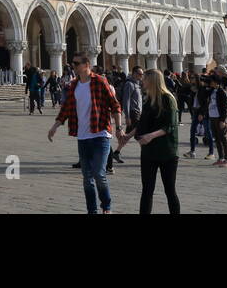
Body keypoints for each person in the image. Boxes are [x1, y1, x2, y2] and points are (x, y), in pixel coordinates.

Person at [47, 53, 121, 214]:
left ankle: (106, 206)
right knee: (87, 179)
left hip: (100, 134)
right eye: (73, 64)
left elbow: (115, 105)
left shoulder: (100, 82)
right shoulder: (74, 85)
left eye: (76, 63)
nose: (73, 66)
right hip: (83, 137)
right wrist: (55, 126)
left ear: (86, 64)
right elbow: (66, 108)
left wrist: (120, 128)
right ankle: (92, 210)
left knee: (99, 174)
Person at [124, 68, 179, 214]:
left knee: (169, 190)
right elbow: (142, 123)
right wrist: (128, 136)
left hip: (166, 151)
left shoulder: (168, 98)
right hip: (148, 152)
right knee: (147, 190)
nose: (142, 81)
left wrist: (150, 136)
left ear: (153, 81)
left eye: (145, 78)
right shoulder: (148, 99)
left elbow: (170, 126)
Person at [110, 66, 143, 170]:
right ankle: (146, 155)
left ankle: (116, 152)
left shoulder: (137, 85)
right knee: (140, 134)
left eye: (142, 74)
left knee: (129, 135)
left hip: (137, 113)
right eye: (139, 74)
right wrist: (127, 117)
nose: (141, 76)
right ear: (133, 73)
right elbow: (126, 101)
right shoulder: (129, 84)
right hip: (133, 114)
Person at [206, 74, 227, 167]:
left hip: (219, 118)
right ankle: (221, 158)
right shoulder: (212, 91)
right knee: (217, 139)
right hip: (212, 117)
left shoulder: (222, 92)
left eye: (212, 81)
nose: (210, 82)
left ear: (216, 82)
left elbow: (225, 107)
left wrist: (222, 120)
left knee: (223, 138)